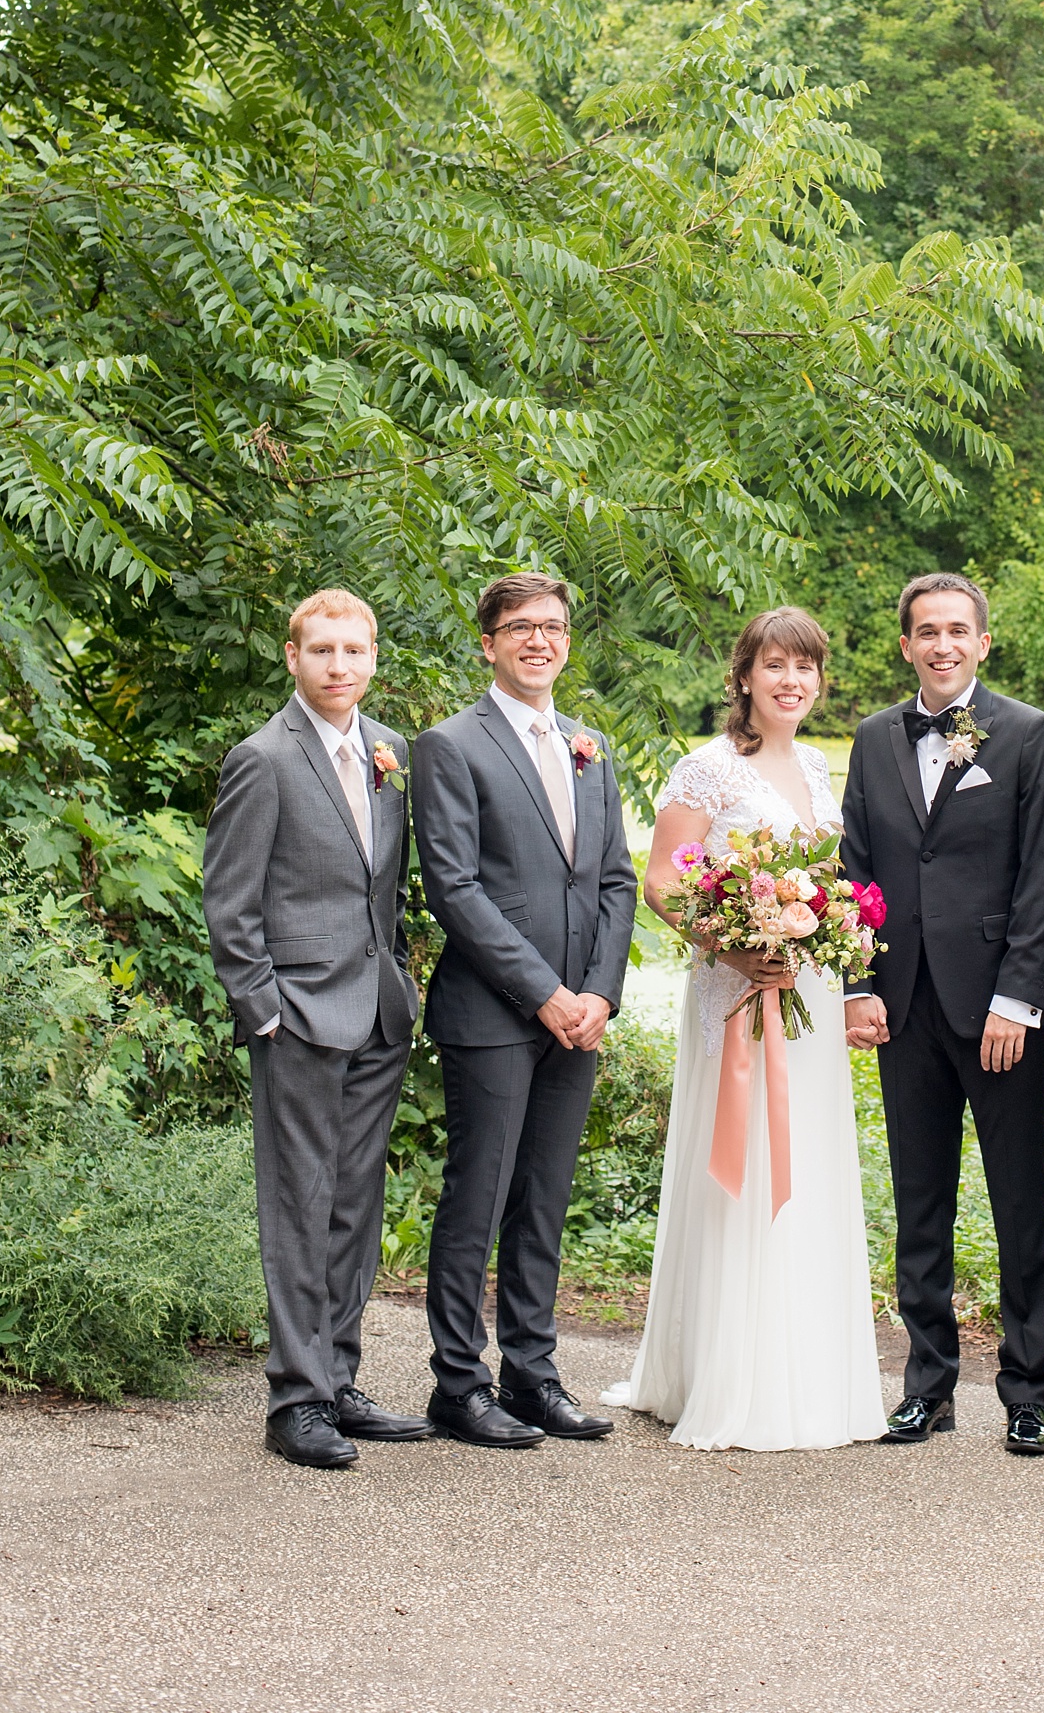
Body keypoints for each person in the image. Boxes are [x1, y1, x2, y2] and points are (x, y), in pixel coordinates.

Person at [603, 608, 885, 1449]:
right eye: (775, 666)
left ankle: (807, 1374)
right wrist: (734, 943)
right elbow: (661, 880)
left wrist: (824, 939)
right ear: (744, 678)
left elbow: (833, 883)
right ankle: (725, 1376)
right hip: (733, 998)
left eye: (806, 668)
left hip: (808, 999)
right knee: (740, 1168)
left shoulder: (819, 769)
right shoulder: (708, 768)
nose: (791, 682)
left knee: (807, 1163)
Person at [842, 573, 1044, 1456]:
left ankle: (1026, 1389)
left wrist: (1017, 998)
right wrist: (861, 989)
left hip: (1001, 1010)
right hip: (904, 1007)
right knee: (920, 1197)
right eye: (926, 632)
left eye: (957, 631)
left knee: (1019, 1195)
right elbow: (857, 872)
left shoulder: (1027, 735)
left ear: (983, 642)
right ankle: (927, 1384)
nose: (942, 645)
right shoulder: (873, 738)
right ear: (905, 646)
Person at [202, 589, 426, 1469]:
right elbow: (230, 903)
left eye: (355, 651)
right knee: (299, 1207)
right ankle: (294, 1402)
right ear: (292, 657)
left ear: (373, 659)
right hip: (296, 1016)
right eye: (323, 650)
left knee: (355, 1207)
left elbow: (387, 885)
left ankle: (336, 1376)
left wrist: (400, 978)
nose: (341, 666)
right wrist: (264, 1011)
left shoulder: (389, 752)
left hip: (375, 1011)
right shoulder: (263, 758)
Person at [413, 573, 635, 1448]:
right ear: (489, 644)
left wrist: (599, 996)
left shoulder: (591, 745)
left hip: (579, 1014)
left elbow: (615, 877)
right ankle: (457, 1384)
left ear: (568, 640)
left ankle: (533, 1376)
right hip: (494, 1014)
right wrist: (544, 994)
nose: (538, 640)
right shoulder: (450, 746)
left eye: (551, 626)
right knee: (481, 1196)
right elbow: (453, 890)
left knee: (543, 1199)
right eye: (519, 628)